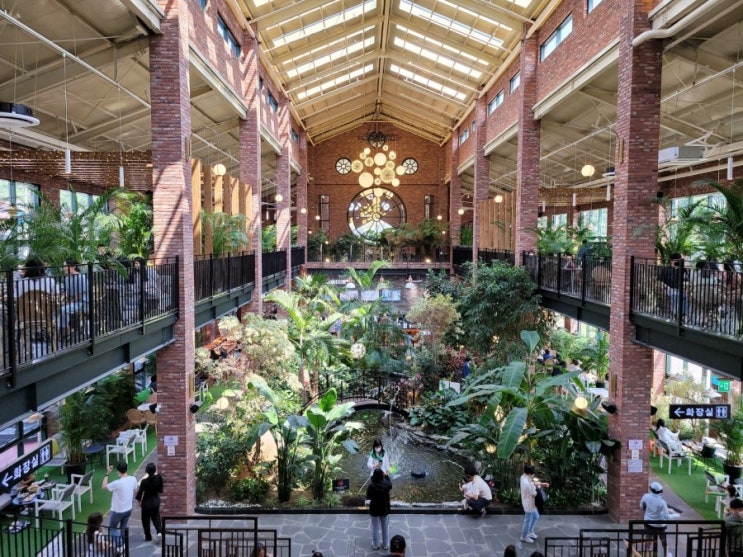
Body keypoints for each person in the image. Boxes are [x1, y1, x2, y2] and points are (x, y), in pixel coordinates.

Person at [103, 461, 139, 542]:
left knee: (112, 528)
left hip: (118, 511)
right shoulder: (133, 479)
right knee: (123, 527)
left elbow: (104, 486)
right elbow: (136, 492)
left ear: (118, 471)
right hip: (128, 509)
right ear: (126, 469)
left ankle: (120, 544)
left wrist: (107, 473)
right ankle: (124, 544)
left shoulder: (117, 483)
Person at [520, 464, 550, 543]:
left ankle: (529, 531)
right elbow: (534, 494)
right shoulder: (527, 483)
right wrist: (539, 488)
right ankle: (524, 536)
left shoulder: (523, 476)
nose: (533, 475)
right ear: (530, 473)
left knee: (535, 516)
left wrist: (542, 484)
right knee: (527, 520)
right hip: (529, 503)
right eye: (532, 473)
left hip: (528, 501)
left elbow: (532, 482)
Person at [136, 462, 164, 542]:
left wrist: (139, 501)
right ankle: (159, 532)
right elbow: (161, 490)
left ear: (147, 471)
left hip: (147, 503)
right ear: (155, 470)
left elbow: (140, 494)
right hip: (156, 501)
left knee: (145, 520)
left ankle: (148, 536)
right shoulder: (159, 477)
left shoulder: (144, 481)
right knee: (156, 517)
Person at [640, 481, 670, 554]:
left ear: (651, 489)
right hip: (660, 525)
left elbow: (642, 506)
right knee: (663, 540)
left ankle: (647, 553)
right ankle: (666, 554)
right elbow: (666, 515)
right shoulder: (662, 502)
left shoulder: (645, 496)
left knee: (648, 541)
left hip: (649, 523)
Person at [60, 258, 89, 334]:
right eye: (63, 266)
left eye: (65, 266)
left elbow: (80, 296)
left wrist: (68, 302)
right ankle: (64, 329)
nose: (64, 268)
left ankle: (65, 330)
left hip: (82, 302)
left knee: (63, 309)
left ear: (73, 266)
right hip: (72, 301)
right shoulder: (67, 278)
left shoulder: (81, 277)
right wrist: (61, 300)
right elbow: (64, 292)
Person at [366, 467, 392, 550]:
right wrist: (387, 476)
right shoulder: (387, 485)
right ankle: (385, 545)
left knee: (375, 527)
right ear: (382, 476)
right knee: (385, 527)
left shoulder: (371, 486)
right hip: (385, 509)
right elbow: (390, 484)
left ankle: (375, 545)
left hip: (374, 509)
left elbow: (368, 497)